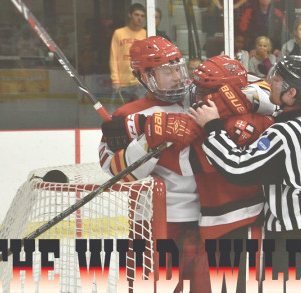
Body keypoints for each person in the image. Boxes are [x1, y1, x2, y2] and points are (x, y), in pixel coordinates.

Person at [189, 55, 301, 292]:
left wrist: (213, 127)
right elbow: (266, 125)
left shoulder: (284, 133)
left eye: (277, 79)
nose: (269, 82)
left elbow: (238, 167)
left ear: (292, 93)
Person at [100, 36, 210, 293]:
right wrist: (149, 139)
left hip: (204, 220)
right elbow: (115, 173)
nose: (177, 77)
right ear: (145, 76)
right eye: (166, 72)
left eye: (178, 69)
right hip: (155, 223)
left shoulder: (197, 98)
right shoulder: (127, 115)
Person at [190, 55, 277, 293]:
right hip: (214, 226)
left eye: (205, 91)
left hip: (245, 225)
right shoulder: (205, 119)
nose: (198, 98)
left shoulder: (254, 122)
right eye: (197, 89)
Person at [109, 3, 148, 104]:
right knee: (121, 115)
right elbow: (113, 58)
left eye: (142, 16)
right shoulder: (119, 33)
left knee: (139, 114)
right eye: (136, 15)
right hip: (122, 83)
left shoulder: (146, 34)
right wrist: (115, 80)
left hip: (140, 83)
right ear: (130, 15)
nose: (139, 18)